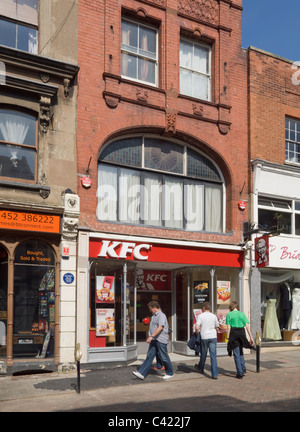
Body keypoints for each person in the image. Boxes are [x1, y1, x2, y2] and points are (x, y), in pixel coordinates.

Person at [132, 301, 174, 380]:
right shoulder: (154, 316)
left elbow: (160, 327)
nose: (150, 310)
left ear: (155, 307)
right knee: (149, 356)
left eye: (150, 308)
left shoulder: (161, 315)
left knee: (164, 357)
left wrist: (151, 336)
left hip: (160, 340)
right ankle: (141, 373)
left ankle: (170, 373)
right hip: (155, 339)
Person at [226, 301, 254, 379]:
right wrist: (251, 337)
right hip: (242, 332)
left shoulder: (229, 315)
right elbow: (247, 326)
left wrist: (228, 338)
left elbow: (228, 327)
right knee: (240, 350)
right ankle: (243, 367)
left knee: (236, 353)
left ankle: (239, 372)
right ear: (237, 307)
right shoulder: (242, 314)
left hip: (233, 332)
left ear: (231, 307)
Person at [195, 302, 219, 379]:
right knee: (213, 356)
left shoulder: (200, 316)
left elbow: (197, 327)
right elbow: (217, 327)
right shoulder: (214, 316)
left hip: (204, 337)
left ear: (203, 308)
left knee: (203, 354)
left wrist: (196, 333)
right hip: (213, 337)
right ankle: (214, 374)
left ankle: (201, 368)